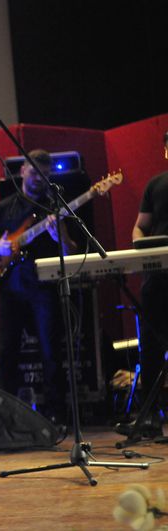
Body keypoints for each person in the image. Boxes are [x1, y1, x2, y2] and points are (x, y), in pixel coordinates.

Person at [0, 149, 77, 424]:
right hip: (11, 286)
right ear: (22, 171)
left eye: (44, 174)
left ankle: (56, 414)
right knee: (7, 350)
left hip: (44, 285)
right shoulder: (5, 207)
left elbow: (70, 250)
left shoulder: (53, 208)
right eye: (34, 172)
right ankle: (8, 412)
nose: (38, 178)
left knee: (50, 350)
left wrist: (59, 235)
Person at [115, 131, 168, 438]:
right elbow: (140, 227)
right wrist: (140, 247)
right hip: (157, 275)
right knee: (150, 345)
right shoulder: (155, 184)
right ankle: (149, 418)